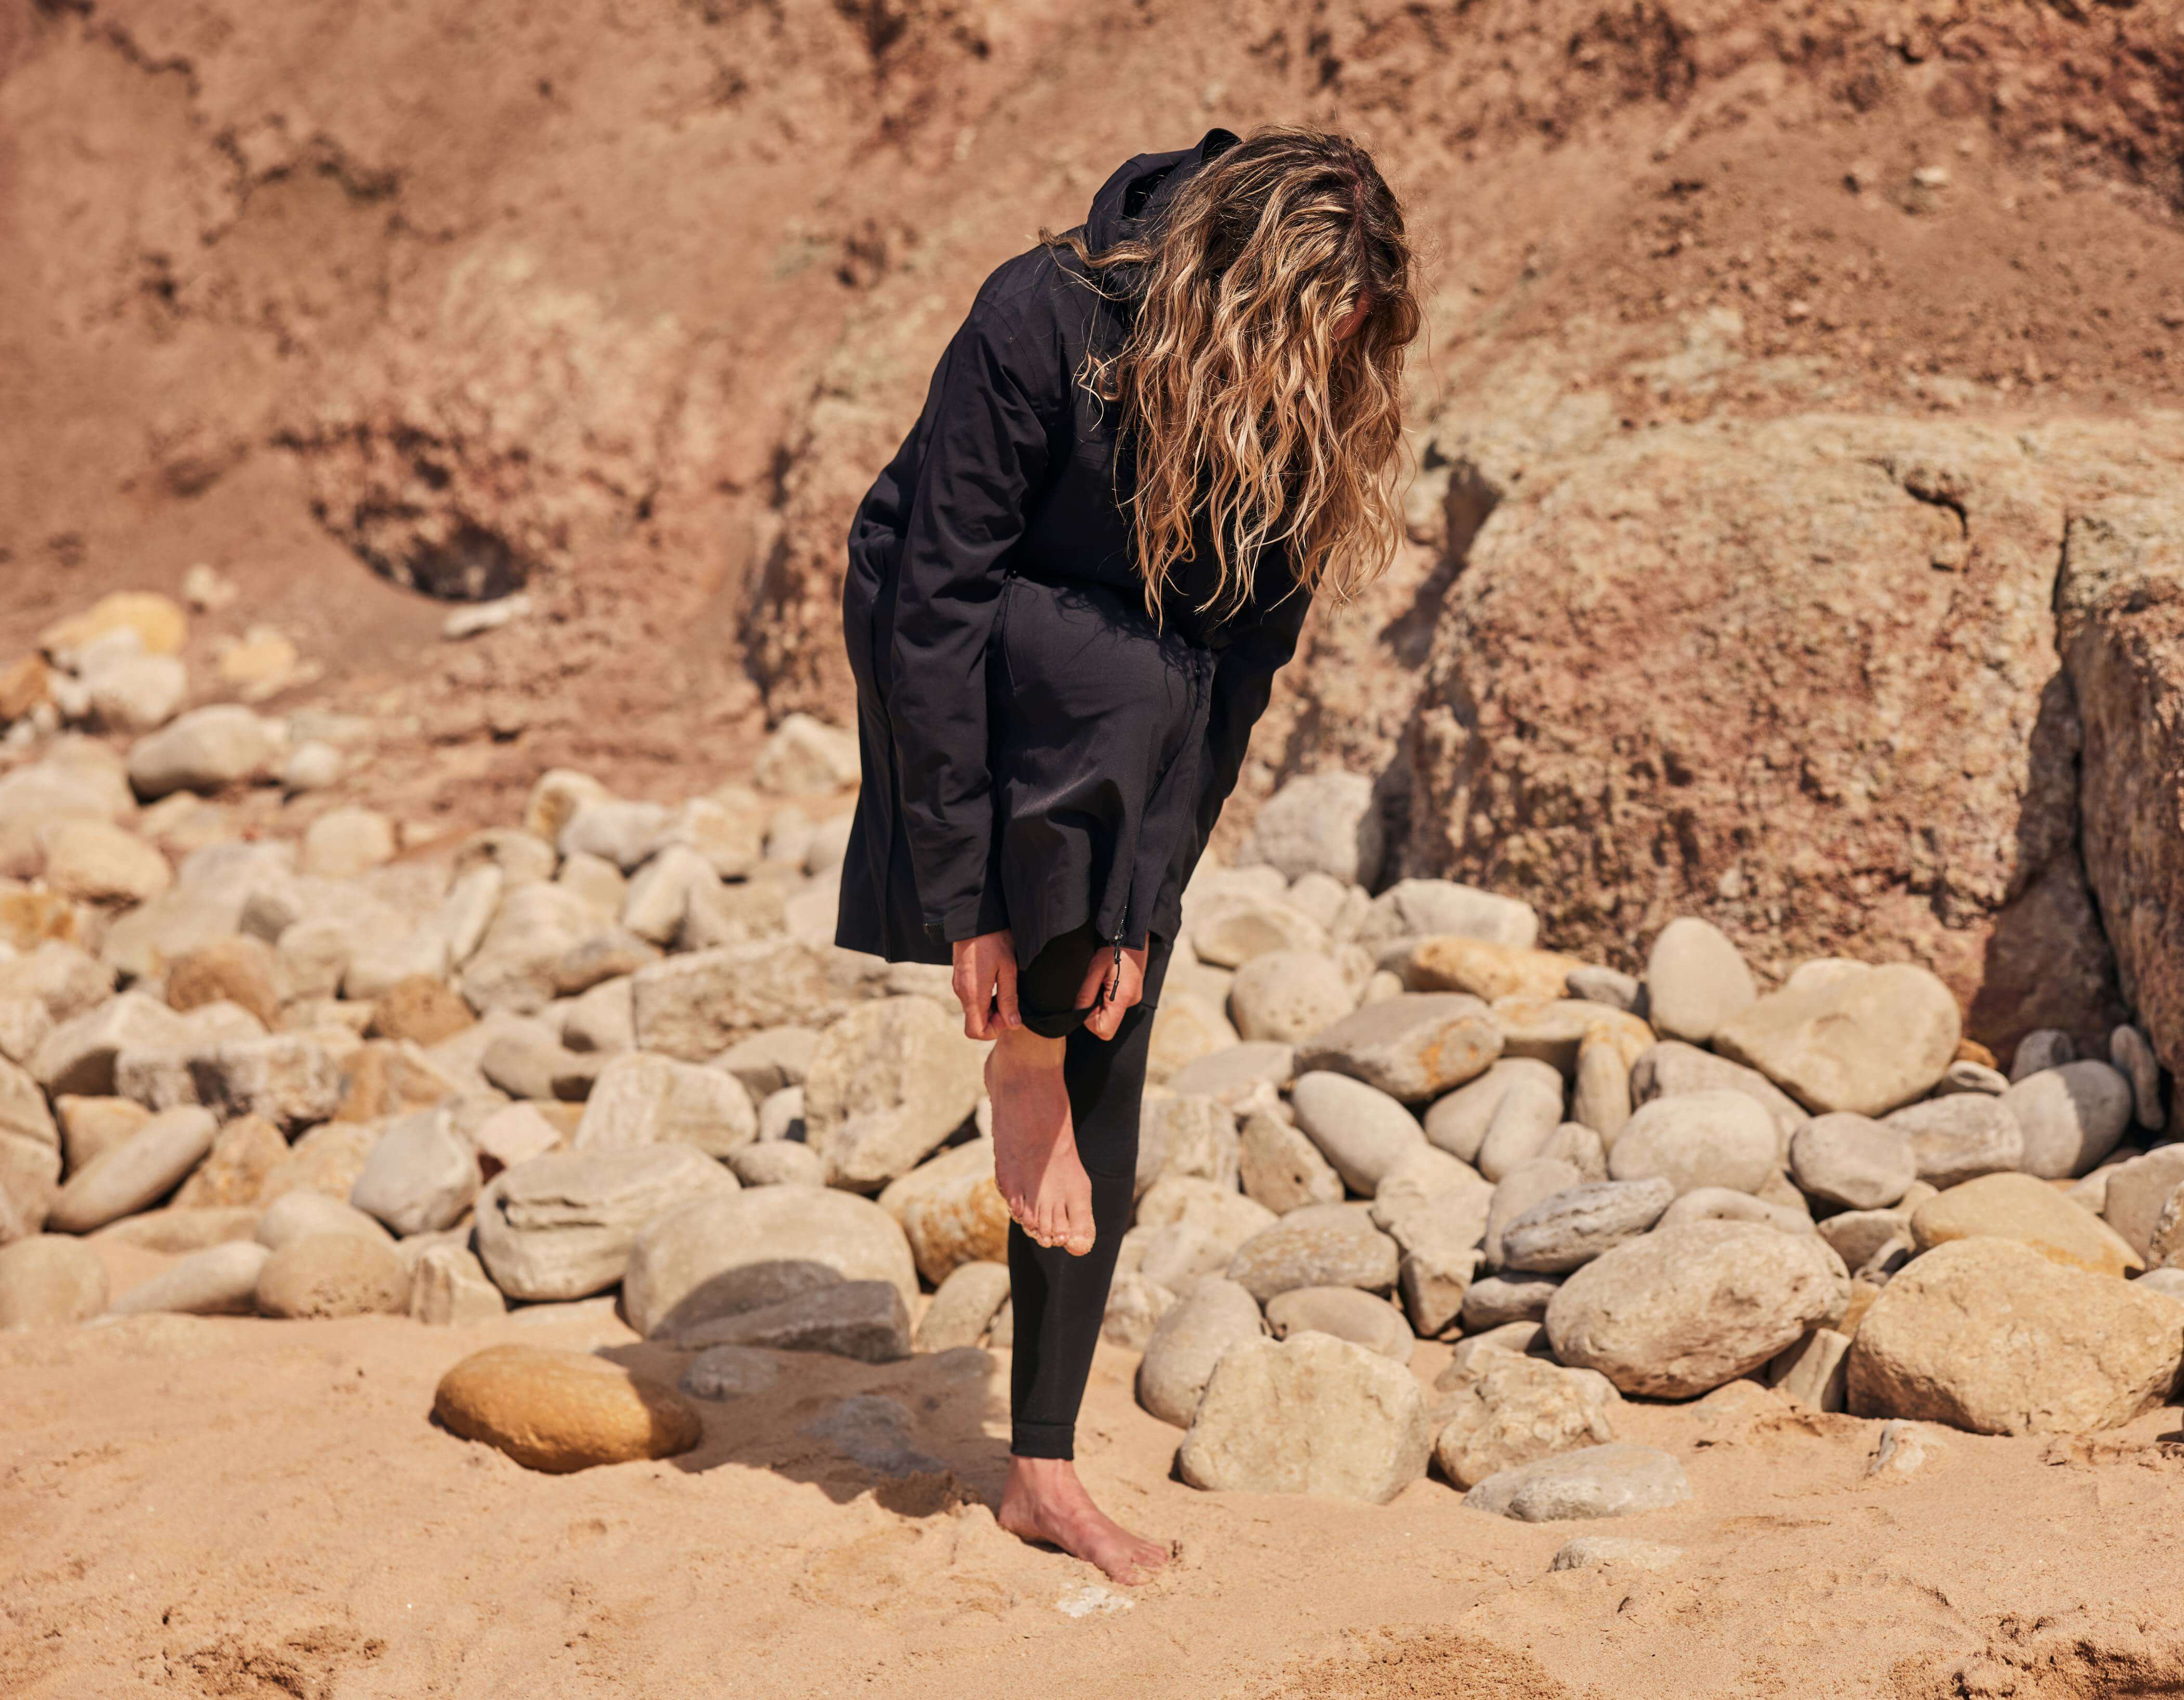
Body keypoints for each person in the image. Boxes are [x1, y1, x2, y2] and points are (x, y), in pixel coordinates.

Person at [835, 124, 1420, 1582]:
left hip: (1140, 693)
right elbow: (936, 602)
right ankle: (1020, 1058)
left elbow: (1234, 687)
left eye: (1351, 343)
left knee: (1117, 1010)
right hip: (954, 626)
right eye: (1305, 330)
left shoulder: (1315, 397)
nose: (1327, 367)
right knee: (1121, 692)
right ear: (1229, 285)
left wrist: (1140, 917)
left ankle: (1042, 1467)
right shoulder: (1044, 313)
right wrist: (970, 909)